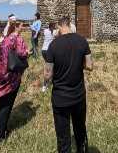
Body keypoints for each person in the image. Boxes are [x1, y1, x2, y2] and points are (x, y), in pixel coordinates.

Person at [44, 15, 93, 153]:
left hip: (60, 98)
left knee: (63, 137)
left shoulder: (53, 45)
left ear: (59, 27)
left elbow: (47, 75)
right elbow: (89, 66)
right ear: (70, 24)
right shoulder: (82, 40)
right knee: (80, 128)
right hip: (79, 96)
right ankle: (81, 149)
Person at [0, 19, 32, 145]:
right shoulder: (18, 39)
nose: (22, 28)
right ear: (16, 27)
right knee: (7, 105)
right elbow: (22, 53)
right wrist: (28, 53)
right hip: (12, 77)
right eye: (21, 26)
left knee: (2, 102)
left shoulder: (6, 38)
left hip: (2, 74)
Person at [41, 21, 57, 92]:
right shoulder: (55, 32)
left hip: (43, 50)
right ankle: (45, 86)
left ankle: (48, 81)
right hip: (49, 51)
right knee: (49, 68)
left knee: (48, 65)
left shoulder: (45, 31)